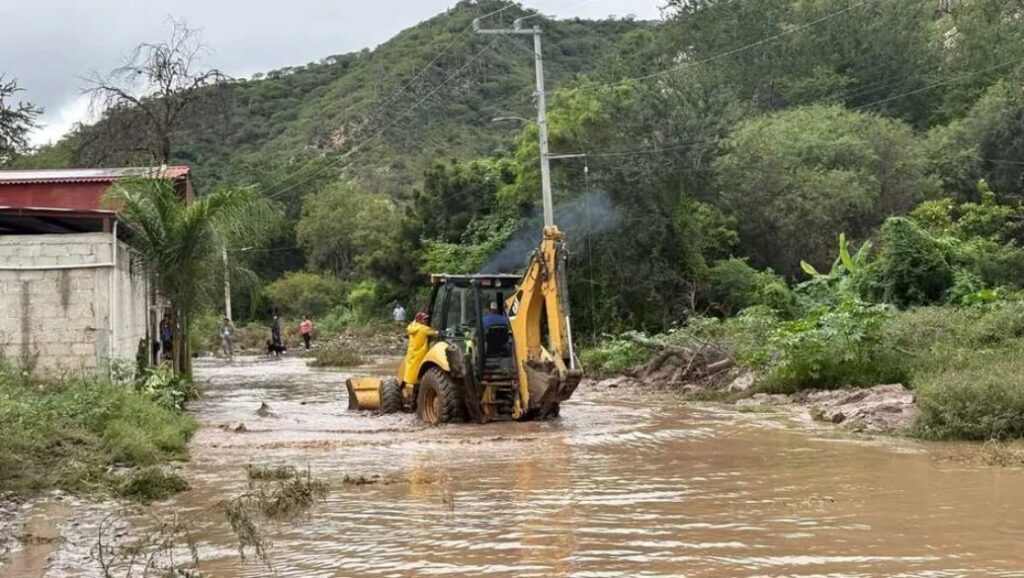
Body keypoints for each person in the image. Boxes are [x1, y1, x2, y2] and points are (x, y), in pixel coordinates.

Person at [403, 312, 437, 386]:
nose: (427, 321)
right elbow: (436, 334)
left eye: (427, 319)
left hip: (412, 352)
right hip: (421, 354)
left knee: (411, 372)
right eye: (424, 319)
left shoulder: (411, 327)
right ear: (419, 320)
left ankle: (408, 386)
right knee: (419, 374)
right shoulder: (424, 329)